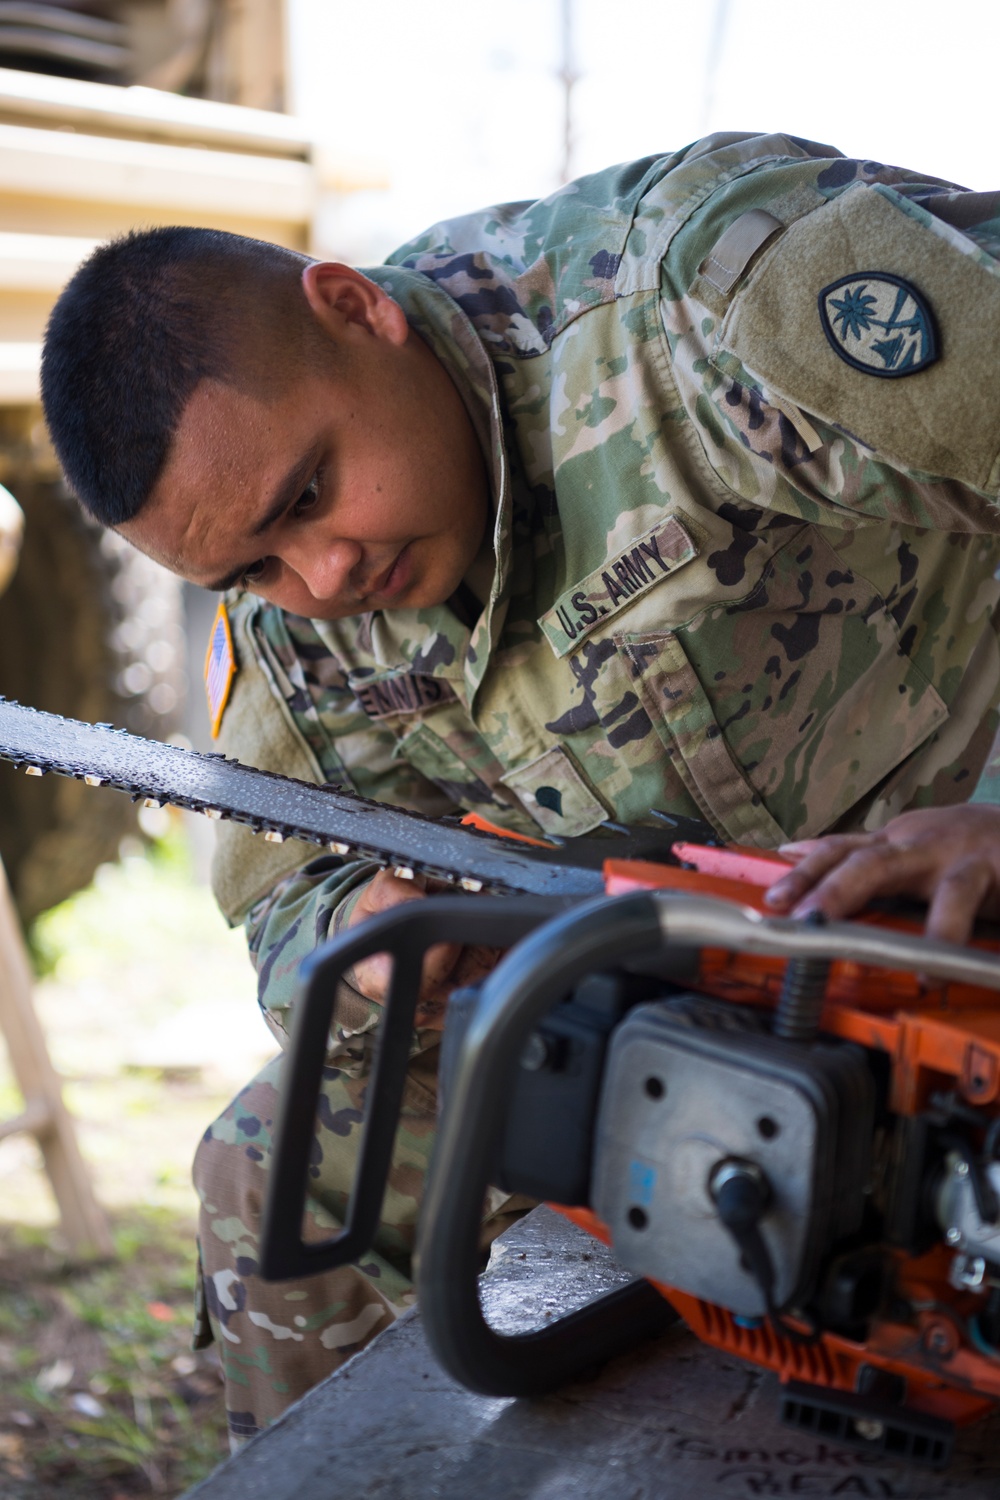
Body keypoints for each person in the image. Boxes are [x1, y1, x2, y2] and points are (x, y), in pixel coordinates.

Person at [40, 129, 1000, 1445]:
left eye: (312, 491)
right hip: (711, 993)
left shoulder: (697, 299)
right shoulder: (300, 606)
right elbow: (285, 902)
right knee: (277, 1166)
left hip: (962, 923)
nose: (318, 580)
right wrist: (359, 945)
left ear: (357, 309)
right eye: (255, 566)